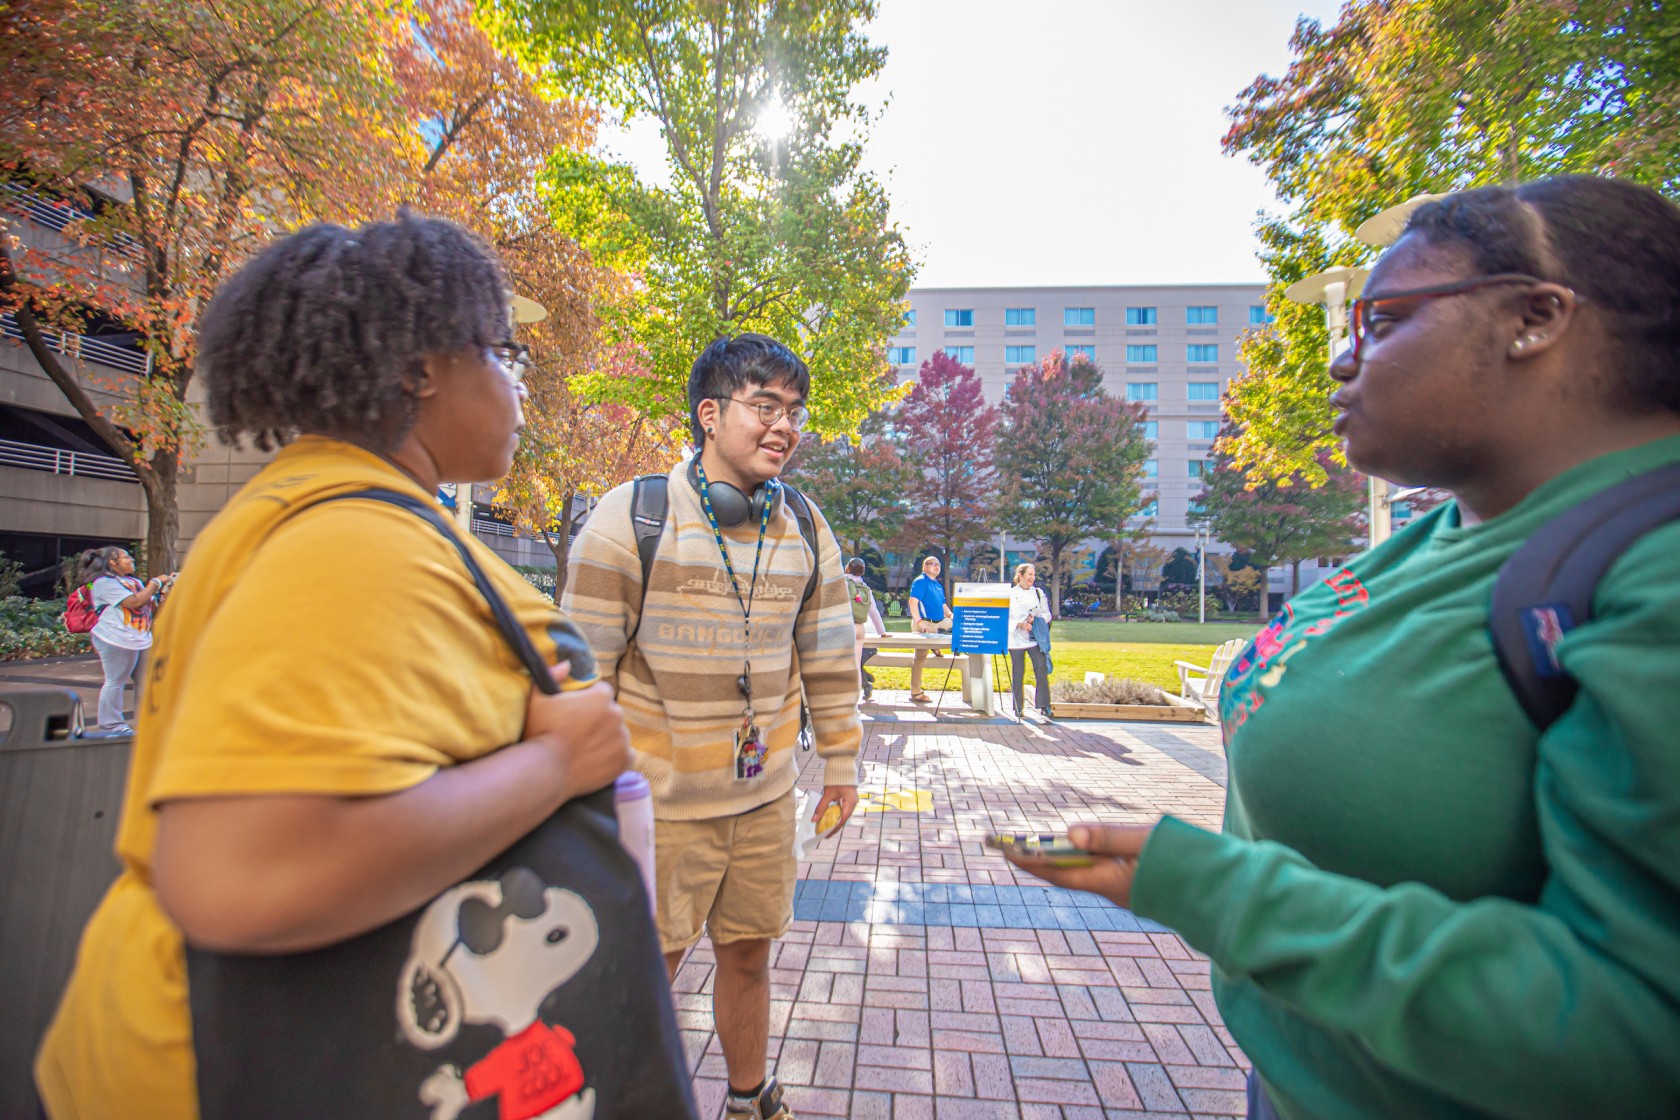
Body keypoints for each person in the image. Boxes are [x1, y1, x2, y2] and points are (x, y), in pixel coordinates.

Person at [1003, 176, 1680, 1120]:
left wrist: (1221, 892)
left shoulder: (1652, 574)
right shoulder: (1446, 529)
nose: (1341, 362)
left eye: (1386, 320)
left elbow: (1641, 1030)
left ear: (1536, 316)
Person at [35, 214, 637, 1119]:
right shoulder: (351, 543)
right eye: (506, 354)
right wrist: (554, 764)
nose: (523, 388)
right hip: (214, 1076)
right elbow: (237, 875)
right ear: (422, 369)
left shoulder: (296, 509)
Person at [563, 333, 861, 1120]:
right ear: (708, 414)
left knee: (750, 957)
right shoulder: (632, 517)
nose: (783, 426)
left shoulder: (802, 523)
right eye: (763, 406)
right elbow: (575, 678)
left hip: (763, 800)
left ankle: (749, 1099)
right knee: (642, 972)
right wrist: (583, 800)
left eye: (793, 412)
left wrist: (842, 760)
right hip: (657, 806)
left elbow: (830, 653)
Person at [81, 546, 170, 731]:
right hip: (115, 639)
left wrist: (162, 594)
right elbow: (134, 602)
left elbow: (147, 606)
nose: (131, 560)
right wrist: (155, 583)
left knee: (146, 681)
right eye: (126, 557)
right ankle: (111, 725)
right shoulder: (104, 583)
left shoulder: (134, 582)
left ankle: (146, 723)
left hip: (140, 638)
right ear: (113, 563)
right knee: (115, 680)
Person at [1007, 562, 1052, 720]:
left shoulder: (1038, 593)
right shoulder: (1010, 594)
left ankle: (1044, 705)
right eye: (1029, 574)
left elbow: (1047, 614)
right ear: (1020, 575)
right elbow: (1004, 617)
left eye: (1034, 574)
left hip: (1035, 639)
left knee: (1041, 668)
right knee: (1018, 672)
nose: (1032, 577)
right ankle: (1018, 707)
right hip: (1016, 640)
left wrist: (1035, 619)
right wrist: (1018, 624)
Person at [905, 554, 952, 703]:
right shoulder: (920, 582)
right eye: (933, 564)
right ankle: (916, 693)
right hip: (926, 625)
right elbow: (913, 603)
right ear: (925, 567)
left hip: (939, 624)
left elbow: (944, 607)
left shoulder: (938, 585)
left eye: (938, 564)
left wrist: (951, 615)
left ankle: (936, 646)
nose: (937, 566)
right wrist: (920, 622)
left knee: (960, 626)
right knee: (920, 659)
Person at [844, 557, 884, 702]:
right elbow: (873, 612)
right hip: (860, 628)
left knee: (842, 664)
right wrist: (882, 632)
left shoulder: (842, 582)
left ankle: (847, 697)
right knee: (855, 663)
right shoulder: (864, 587)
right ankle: (856, 696)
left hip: (845, 627)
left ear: (847, 567)